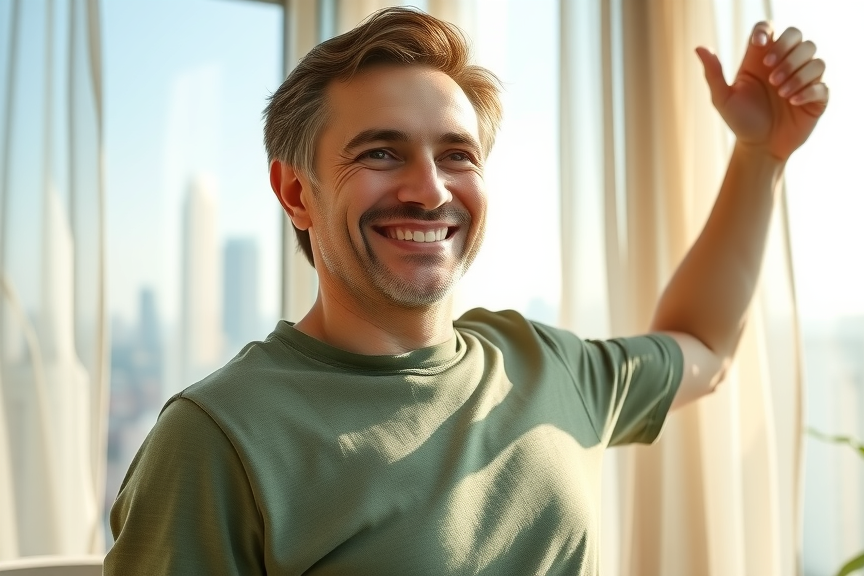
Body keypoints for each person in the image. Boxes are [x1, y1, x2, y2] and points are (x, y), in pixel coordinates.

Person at [105, 7, 827, 575]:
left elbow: (705, 346)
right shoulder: (217, 438)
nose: (430, 190)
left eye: (457, 155)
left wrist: (760, 157)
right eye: (382, 153)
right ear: (296, 191)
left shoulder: (543, 364)